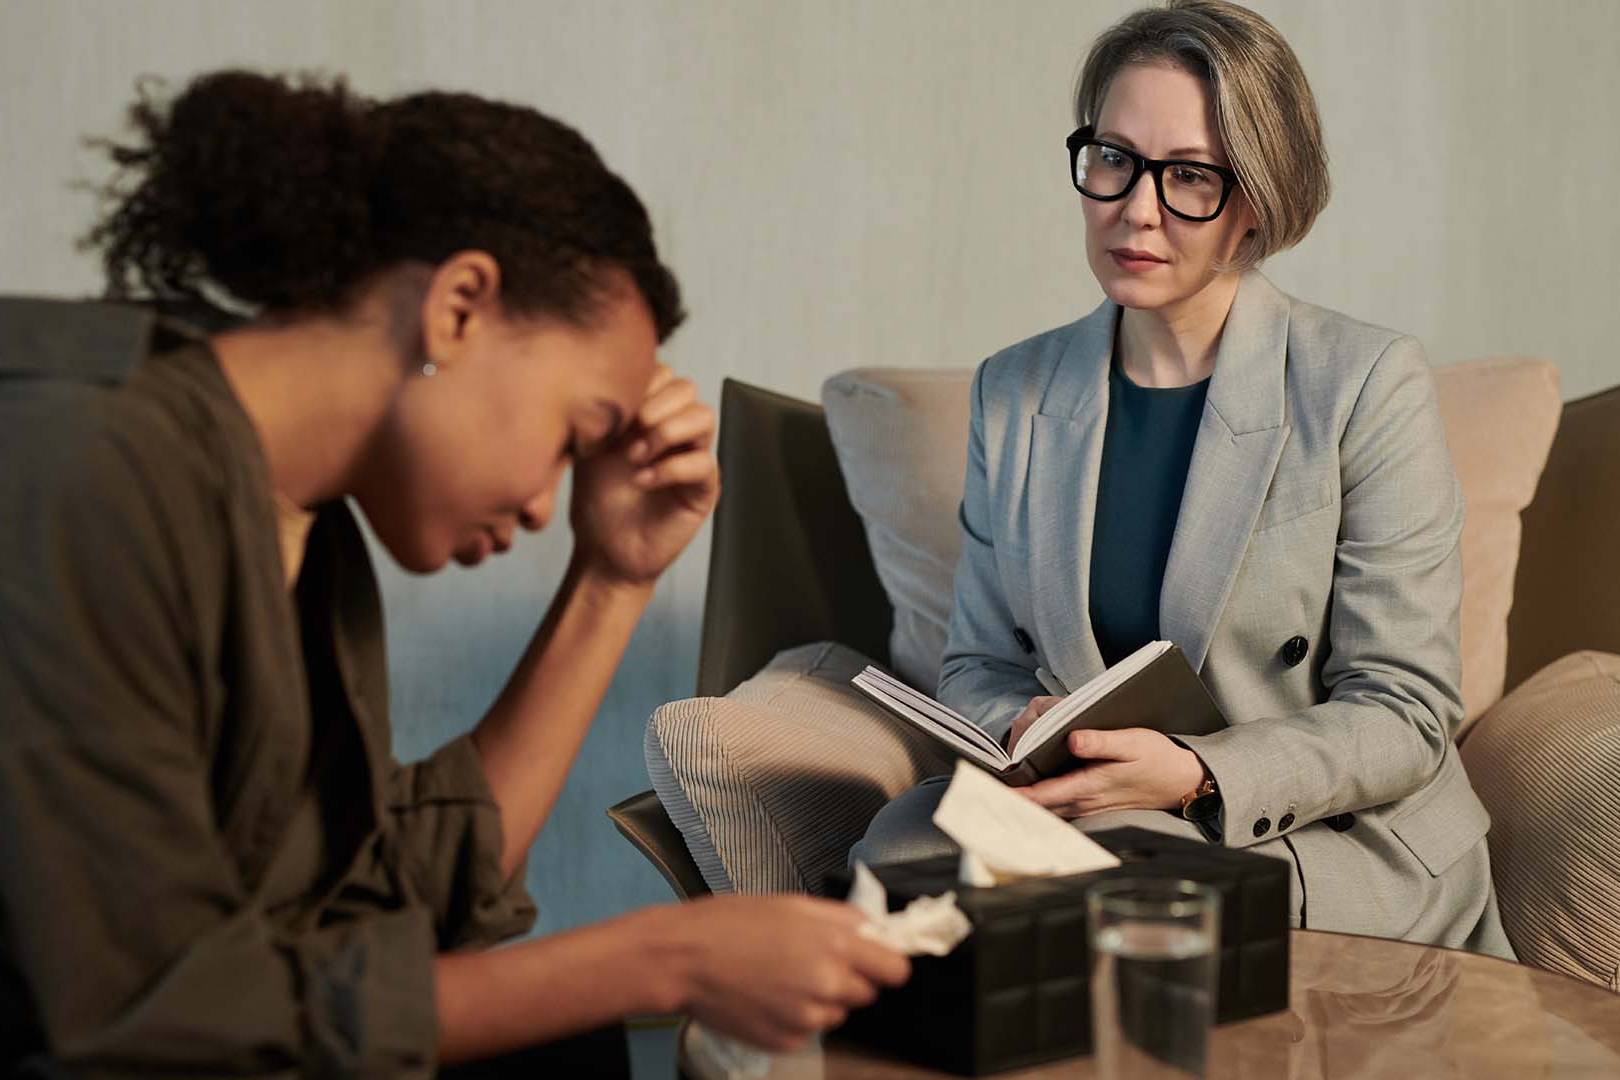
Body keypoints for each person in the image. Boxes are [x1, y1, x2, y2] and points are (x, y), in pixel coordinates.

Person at [0, 71, 908, 1075]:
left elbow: (393, 900)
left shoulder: (300, 520)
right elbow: (150, 1012)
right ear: (460, 308)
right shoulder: (80, 471)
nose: (545, 501)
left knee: (554, 1032)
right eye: (577, 435)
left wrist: (613, 575)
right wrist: (665, 955)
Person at [852, 0, 1513, 959]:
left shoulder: (1365, 382)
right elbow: (980, 666)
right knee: (889, 854)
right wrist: (1028, 725)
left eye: (1190, 176)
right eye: (1113, 158)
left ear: (1259, 199)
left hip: (1312, 834)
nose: (1137, 207)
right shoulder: (1016, 389)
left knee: (1102, 886)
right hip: (1085, 808)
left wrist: (1196, 771)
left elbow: (1405, 712)